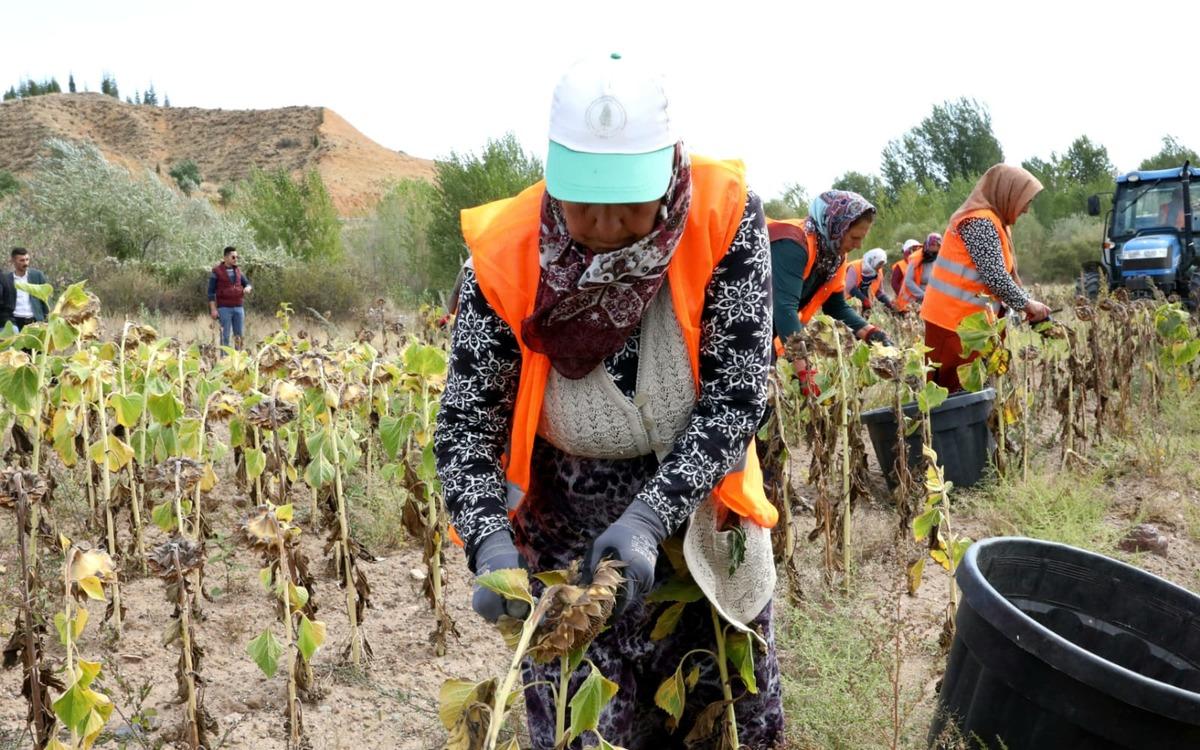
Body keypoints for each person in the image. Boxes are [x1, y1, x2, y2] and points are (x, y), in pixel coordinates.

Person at [434, 54, 784, 748]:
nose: (603, 222)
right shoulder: (507, 255)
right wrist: (489, 542)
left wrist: (652, 516)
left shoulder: (721, 215)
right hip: (564, 528)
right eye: (582, 199)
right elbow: (466, 424)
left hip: (698, 508)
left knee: (719, 707)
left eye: (628, 201)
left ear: (666, 173)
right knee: (584, 722)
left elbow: (740, 392)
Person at [921, 164, 1051, 391]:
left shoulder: (998, 223)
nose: (1026, 210)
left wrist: (1026, 306)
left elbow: (1006, 276)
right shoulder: (979, 221)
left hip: (972, 326)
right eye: (1026, 201)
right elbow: (996, 277)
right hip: (953, 325)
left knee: (973, 394)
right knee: (949, 396)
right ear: (1008, 193)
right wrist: (1028, 303)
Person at [769, 191, 893, 382]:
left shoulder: (834, 257)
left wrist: (871, 333)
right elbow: (785, 308)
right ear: (836, 227)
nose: (859, 246)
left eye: (862, 238)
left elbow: (836, 307)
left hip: (767, 332)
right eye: (854, 237)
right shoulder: (793, 243)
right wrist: (805, 373)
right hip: (739, 325)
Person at [208, 246, 252, 349]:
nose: (236, 259)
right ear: (225, 258)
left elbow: (247, 284)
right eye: (233, 257)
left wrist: (248, 288)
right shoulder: (216, 272)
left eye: (237, 257)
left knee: (239, 336)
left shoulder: (238, 271)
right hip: (224, 309)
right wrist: (213, 310)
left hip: (239, 308)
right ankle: (224, 361)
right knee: (225, 337)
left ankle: (238, 361)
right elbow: (210, 292)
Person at [0, 247, 50, 332]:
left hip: (34, 321)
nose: (26, 263)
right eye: (22, 260)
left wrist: (46, 318)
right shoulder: (7, 279)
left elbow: (44, 298)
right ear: (13, 261)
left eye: (27, 259)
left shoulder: (37, 276)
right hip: (15, 321)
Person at [896, 232, 941, 311]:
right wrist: (923, 296)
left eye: (938, 245)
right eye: (934, 245)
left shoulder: (939, 258)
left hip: (930, 299)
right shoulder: (916, 258)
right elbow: (908, 281)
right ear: (928, 244)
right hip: (913, 300)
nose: (937, 247)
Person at [845, 247, 896, 315]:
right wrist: (864, 300)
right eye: (879, 263)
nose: (881, 266)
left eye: (882, 264)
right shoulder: (855, 267)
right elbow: (849, 287)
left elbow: (879, 292)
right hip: (847, 302)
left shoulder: (878, 272)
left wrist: (888, 302)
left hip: (865, 306)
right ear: (872, 260)